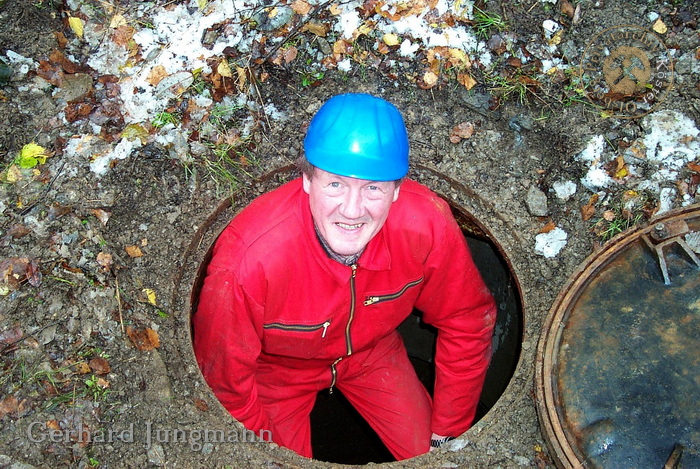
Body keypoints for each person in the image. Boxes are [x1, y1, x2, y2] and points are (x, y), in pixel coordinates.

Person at [192, 93, 496, 460]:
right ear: (306, 180)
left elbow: (466, 320)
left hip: (372, 353)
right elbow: (226, 383)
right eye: (335, 184)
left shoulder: (426, 224)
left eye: (373, 187)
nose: (352, 211)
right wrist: (263, 454)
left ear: (397, 189)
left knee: (435, 459)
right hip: (277, 373)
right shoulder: (248, 263)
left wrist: (448, 433)